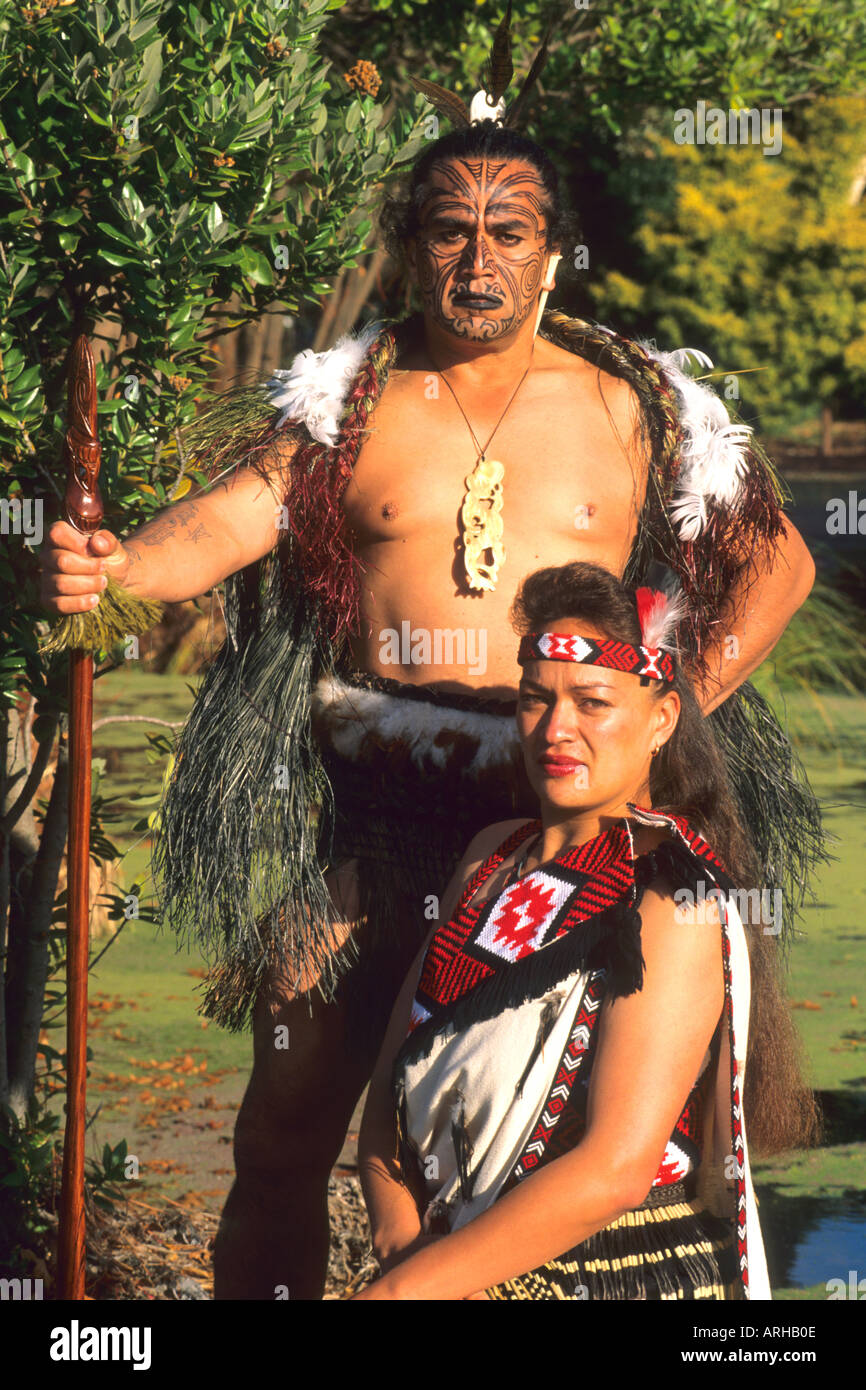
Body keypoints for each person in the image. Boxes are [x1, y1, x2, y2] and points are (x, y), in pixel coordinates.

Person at [38, 60, 821, 1298]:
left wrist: (657, 722)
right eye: (448, 231)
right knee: (287, 1130)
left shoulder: (634, 407)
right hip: (380, 819)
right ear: (408, 248)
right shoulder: (347, 405)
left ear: (554, 254)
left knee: (570, 1147)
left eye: (508, 233)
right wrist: (118, 561)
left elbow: (774, 567)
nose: (477, 260)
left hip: (571, 823)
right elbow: (231, 520)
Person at [355, 561, 819, 1301]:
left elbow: (614, 1169)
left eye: (593, 702)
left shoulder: (673, 899)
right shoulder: (488, 856)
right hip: (442, 1261)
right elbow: (389, 1087)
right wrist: (402, 1240)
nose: (556, 729)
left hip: (610, 1273)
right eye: (536, 700)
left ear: (661, 720)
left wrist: (407, 1293)